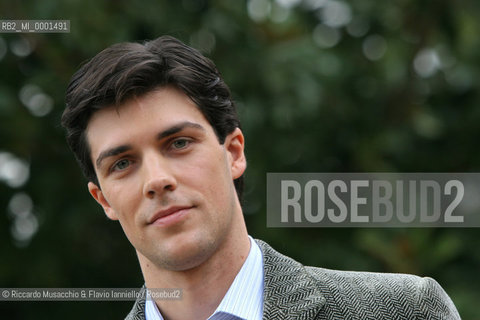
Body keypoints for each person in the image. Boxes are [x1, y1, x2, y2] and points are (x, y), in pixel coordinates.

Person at [61, 35, 460, 320]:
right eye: (122, 164)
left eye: (179, 143)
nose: (157, 179)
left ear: (233, 152)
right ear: (104, 200)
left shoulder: (404, 311)